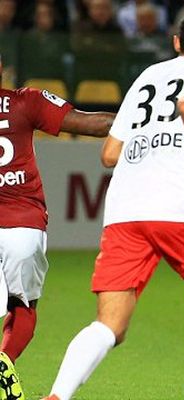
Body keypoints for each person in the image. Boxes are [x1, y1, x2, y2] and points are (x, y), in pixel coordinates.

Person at [41, 6, 184, 400]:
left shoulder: (148, 75)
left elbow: (109, 154)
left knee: (109, 326)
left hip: (124, 209)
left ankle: (57, 396)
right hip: (175, 205)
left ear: (176, 42)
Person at [0, 55, 115, 399]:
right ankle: (5, 359)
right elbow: (92, 124)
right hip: (24, 225)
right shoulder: (25, 100)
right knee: (24, 307)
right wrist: (146, 121)